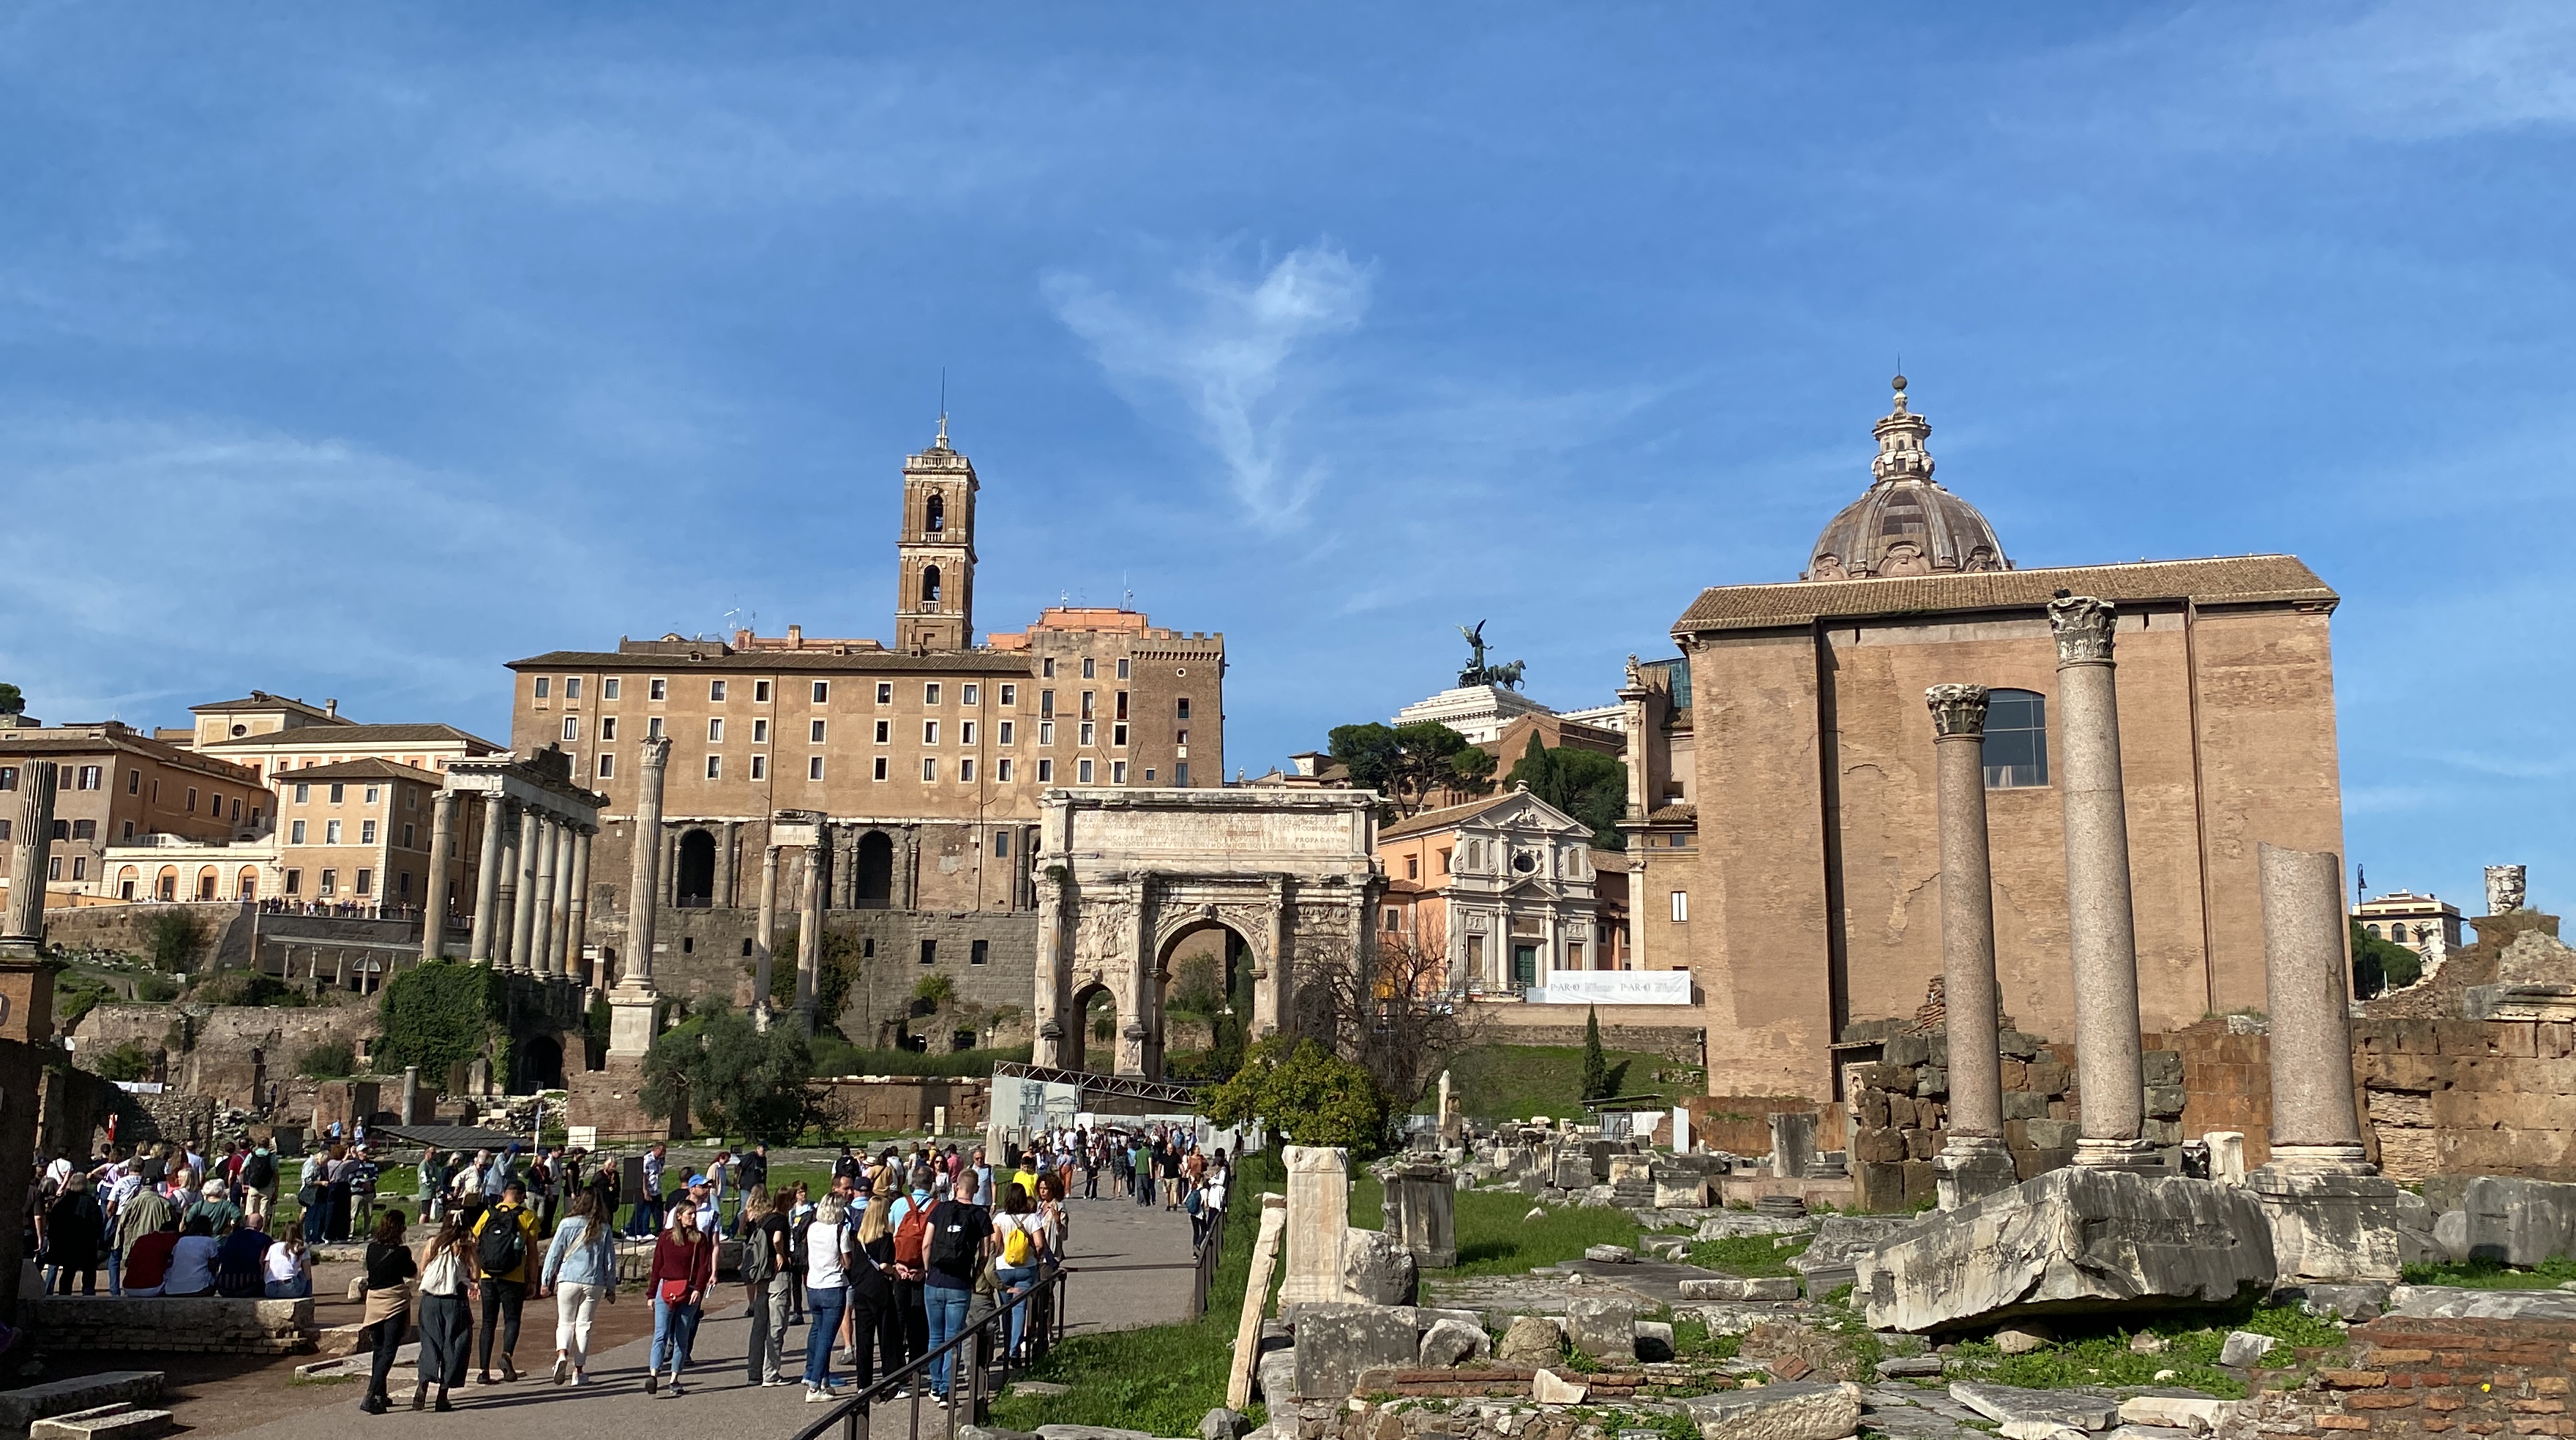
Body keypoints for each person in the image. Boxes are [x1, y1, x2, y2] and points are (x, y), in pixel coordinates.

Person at [921, 1173, 993, 1406]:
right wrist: (975, 1273)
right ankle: (945, 1390)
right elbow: (985, 1251)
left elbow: (926, 1244)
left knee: (934, 1336)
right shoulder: (980, 1216)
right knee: (954, 1337)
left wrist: (927, 1269)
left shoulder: (940, 1209)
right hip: (960, 1283)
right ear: (977, 1189)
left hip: (934, 1281)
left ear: (956, 1186)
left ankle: (934, 1384)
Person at [537, 1191, 617, 1387]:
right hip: (594, 1281)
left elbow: (554, 1254)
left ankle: (562, 1355)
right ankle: (578, 1372)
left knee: (565, 1322)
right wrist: (611, 1286)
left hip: (568, 1279)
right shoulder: (604, 1228)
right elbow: (609, 1260)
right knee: (584, 1326)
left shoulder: (566, 1224)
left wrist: (545, 1280)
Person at [470, 1178, 539, 1384]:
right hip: (513, 1276)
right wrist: (533, 1280)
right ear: (522, 1196)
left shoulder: (488, 1214)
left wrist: (476, 1273)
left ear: (504, 1194)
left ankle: (483, 1371)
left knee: (488, 1323)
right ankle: (506, 1355)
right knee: (512, 1319)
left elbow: (474, 1242)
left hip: (488, 1276)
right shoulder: (527, 1216)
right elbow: (533, 1252)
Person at [646, 1200, 714, 1396]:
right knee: (661, 1333)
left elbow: (704, 1267)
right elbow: (657, 1267)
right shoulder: (666, 1238)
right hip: (665, 1288)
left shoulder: (699, 1239)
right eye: (689, 1214)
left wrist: (698, 1289)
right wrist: (651, 1294)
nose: (693, 1217)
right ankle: (653, 1374)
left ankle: (675, 1377)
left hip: (689, 1289)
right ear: (679, 1216)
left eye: (694, 1214)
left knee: (681, 1337)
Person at [413, 1212, 477, 1412]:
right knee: (456, 1344)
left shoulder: (433, 1242)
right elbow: (475, 1271)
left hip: (430, 1300)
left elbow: (422, 1268)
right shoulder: (464, 1245)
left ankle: (423, 1383)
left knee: (430, 1342)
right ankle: (443, 1394)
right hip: (454, 1300)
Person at [847, 1179, 907, 1394]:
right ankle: (891, 1379)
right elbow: (883, 1265)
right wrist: (895, 1273)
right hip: (880, 1290)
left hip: (862, 1290)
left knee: (864, 1338)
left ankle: (863, 1383)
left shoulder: (860, 1237)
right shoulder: (885, 1237)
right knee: (887, 1337)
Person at [356, 1210, 414, 1414]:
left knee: (379, 1349)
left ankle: (380, 1394)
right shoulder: (402, 1252)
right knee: (389, 1349)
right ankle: (372, 1393)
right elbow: (411, 1271)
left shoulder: (372, 1249)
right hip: (394, 1301)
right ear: (400, 1229)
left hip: (374, 1301)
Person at [798, 1196, 851, 1402]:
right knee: (826, 1339)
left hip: (814, 1285)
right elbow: (847, 1262)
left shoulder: (813, 1229)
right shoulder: (840, 1230)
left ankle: (822, 1379)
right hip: (832, 1287)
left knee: (818, 1330)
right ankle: (814, 1386)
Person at [990, 1182, 1048, 1360]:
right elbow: (1039, 1244)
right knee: (1020, 1309)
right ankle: (1015, 1350)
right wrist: (1035, 1257)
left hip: (1003, 1268)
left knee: (1005, 1310)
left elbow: (996, 1244)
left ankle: (1006, 1348)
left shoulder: (1000, 1218)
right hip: (1026, 1268)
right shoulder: (1032, 1219)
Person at [744, 1187, 793, 1387]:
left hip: (761, 1273)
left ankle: (754, 1371)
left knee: (759, 1324)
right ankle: (771, 1372)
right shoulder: (781, 1220)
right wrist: (781, 1253)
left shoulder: (764, 1218)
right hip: (776, 1275)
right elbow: (777, 1239)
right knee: (777, 1324)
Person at [886, 1169, 934, 1368]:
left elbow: (890, 1231)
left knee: (899, 1314)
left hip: (900, 1267)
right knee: (919, 1316)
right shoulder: (936, 1207)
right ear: (931, 1185)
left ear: (912, 1184)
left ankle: (896, 1359)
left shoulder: (898, 1204)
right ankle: (917, 1360)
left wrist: (896, 1264)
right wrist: (925, 1269)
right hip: (922, 1269)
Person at [44, 1174, 105, 1295]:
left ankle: (64, 1300)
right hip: (87, 1244)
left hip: (67, 1244)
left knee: (67, 1273)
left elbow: (53, 1225)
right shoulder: (90, 1202)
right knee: (88, 1275)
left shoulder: (62, 1202)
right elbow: (98, 1223)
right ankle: (89, 1300)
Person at [214, 1215, 272, 1298]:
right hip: (250, 1287)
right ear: (261, 1225)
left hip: (224, 1287)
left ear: (246, 1223)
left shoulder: (231, 1238)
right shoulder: (265, 1239)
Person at [162, 1215, 220, 1297]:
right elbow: (213, 1267)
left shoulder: (181, 1240)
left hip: (173, 1289)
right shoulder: (210, 1241)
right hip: (200, 1288)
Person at [263, 1229, 312, 1300]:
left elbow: (266, 1270)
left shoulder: (273, 1246)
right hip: (291, 1289)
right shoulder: (301, 1247)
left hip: (270, 1290)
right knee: (301, 1271)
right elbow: (307, 1275)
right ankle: (307, 1295)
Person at [241, 1141, 279, 1229]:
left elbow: (242, 1170)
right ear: (268, 1145)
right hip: (267, 1187)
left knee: (251, 1210)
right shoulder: (272, 1157)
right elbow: (276, 1174)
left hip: (253, 1187)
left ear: (258, 1145)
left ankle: (249, 1231)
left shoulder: (251, 1155)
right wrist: (276, 1190)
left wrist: (243, 1183)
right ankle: (262, 1231)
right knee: (264, 1212)